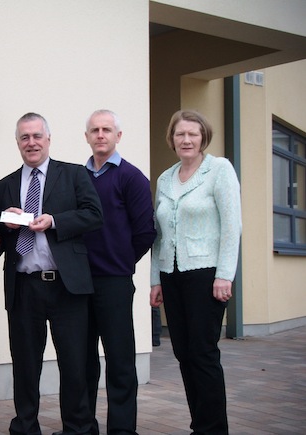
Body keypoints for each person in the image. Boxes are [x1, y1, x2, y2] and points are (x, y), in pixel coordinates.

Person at [0, 112, 103, 435]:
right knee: (25, 366)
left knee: (75, 364)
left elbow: (94, 215)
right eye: (24, 137)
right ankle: (25, 427)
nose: (31, 143)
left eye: (37, 136)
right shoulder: (5, 186)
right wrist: (2, 224)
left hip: (67, 287)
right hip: (25, 288)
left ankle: (78, 428)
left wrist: (54, 221)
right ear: (17, 143)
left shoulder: (74, 175)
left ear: (48, 139)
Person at [150, 110, 242, 435]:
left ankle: (214, 429)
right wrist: (156, 279)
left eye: (193, 133)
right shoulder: (165, 178)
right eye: (180, 134)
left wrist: (225, 275)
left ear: (203, 136)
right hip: (172, 276)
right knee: (183, 353)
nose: (186, 140)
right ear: (172, 139)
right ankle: (200, 425)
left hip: (207, 276)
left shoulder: (219, 170)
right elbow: (158, 233)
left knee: (203, 353)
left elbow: (233, 227)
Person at [81, 110, 157, 435]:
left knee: (120, 362)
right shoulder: (76, 177)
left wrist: (122, 262)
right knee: (82, 362)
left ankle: (122, 430)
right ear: (87, 136)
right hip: (78, 284)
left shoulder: (132, 178)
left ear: (118, 136)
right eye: (95, 130)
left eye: (107, 129)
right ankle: (83, 427)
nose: (100, 135)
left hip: (114, 283)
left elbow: (145, 232)